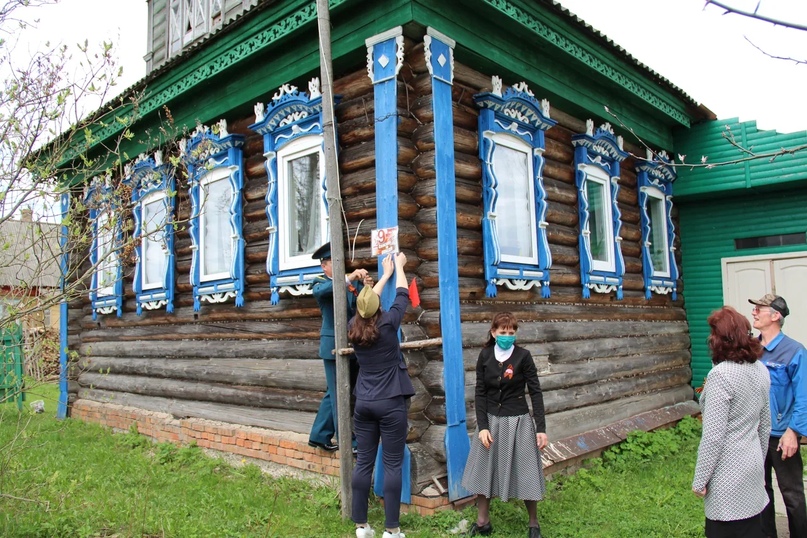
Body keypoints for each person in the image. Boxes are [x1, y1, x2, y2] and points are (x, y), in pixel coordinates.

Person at [461, 312, 548, 538]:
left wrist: (541, 429)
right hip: (490, 421)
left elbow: (535, 392)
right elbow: (480, 392)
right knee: (484, 470)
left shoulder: (523, 356)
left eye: (511, 333)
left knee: (527, 471)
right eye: (503, 332)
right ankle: (482, 522)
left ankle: (533, 524)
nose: (507, 336)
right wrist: (482, 427)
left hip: (518, 421)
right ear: (493, 333)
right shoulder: (485, 356)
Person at [349, 252, 414, 538]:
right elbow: (402, 294)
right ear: (378, 308)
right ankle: (392, 530)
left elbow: (366, 305)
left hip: (363, 403)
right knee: (391, 464)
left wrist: (383, 275)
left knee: (364, 462)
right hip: (390, 403)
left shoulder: (354, 329)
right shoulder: (387, 326)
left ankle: (361, 526)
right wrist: (398, 268)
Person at [692, 306, 771, 538]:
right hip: (753, 467)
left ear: (721, 338)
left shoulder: (721, 375)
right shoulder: (761, 369)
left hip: (728, 476)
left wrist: (700, 480)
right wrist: (759, 460)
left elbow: (713, 436)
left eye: (713, 333)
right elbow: (765, 426)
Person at [749, 294, 807, 537]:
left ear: (775, 316)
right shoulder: (751, 348)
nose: (754, 313)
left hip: (782, 436)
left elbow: (804, 397)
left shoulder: (795, 351)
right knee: (761, 493)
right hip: (754, 434)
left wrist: (793, 432)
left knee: (792, 495)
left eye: (759, 309)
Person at [308, 242, 371, 453]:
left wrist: (367, 284)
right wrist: (349, 278)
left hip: (352, 346)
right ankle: (349, 442)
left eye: (340, 263)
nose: (338, 267)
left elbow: (362, 302)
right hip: (333, 347)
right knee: (339, 393)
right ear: (324, 266)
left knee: (336, 391)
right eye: (333, 263)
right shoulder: (319, 283)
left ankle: (319, 435)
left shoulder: (347, 283)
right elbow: (326, 291)